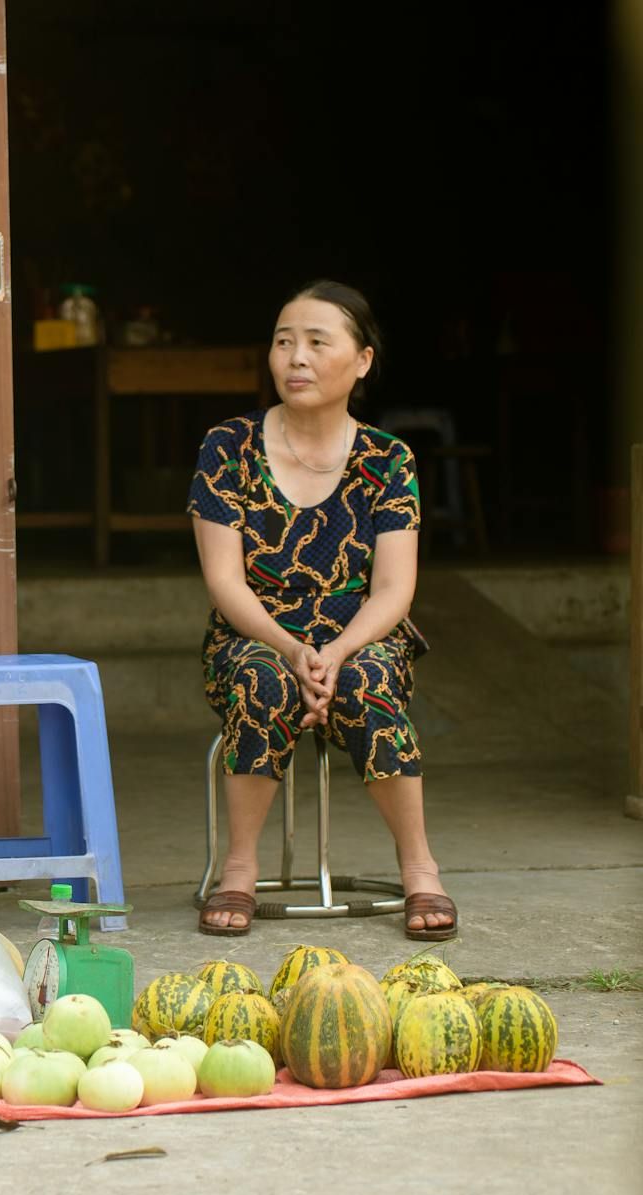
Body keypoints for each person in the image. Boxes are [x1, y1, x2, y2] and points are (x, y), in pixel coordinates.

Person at [188, 280, 456, 940]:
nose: (295, 357)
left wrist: (334, 652)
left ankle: (421, 869)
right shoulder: (227, 447)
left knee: (367, 681)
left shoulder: (389, 461)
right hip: (254, 635)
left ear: (362, 360)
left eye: (316, 342)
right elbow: (224, 580)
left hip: (359, 637)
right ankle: (239, 871)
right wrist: (290, 647)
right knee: (265, 678)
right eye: (284, 342)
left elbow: (394, 590)